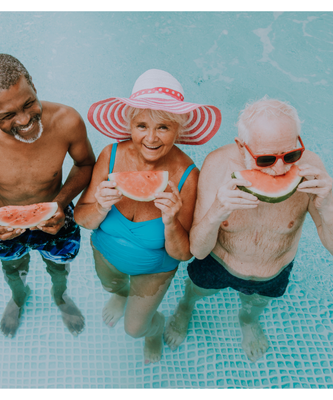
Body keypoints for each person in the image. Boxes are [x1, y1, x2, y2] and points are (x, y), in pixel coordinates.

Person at [164, 96, 333, 362]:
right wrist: (218, 210)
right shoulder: (217, 165)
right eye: (265, 159)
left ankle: (248, 322)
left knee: (256, 304)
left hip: (273, 272)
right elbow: (198, 248)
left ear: (299, 142)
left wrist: (329, 205)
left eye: (290, 155)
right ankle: (185, 308)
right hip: (218, 263)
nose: (279, 169)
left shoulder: (311, 171)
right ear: (242, 147)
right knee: (197, 291)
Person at [74, 69, 222, 364]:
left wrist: (170, 221)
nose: (151, 138)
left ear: (178, 131)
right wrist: (101, 206)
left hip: (153, 272)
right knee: (112, 286)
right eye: (142, 125)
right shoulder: (110, 155)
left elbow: (183, 254)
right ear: (130, 125)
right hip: (105, 254)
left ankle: (153, 330)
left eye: (163, 128)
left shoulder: (189, 177)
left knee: (134, 328)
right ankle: (119, 294)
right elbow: (82, 219)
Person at [0, 54, 95, 338]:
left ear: (33, 85)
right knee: (13, 268)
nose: (25, 119)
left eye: (28, 103)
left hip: (58, 218)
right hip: (2, 225)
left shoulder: (67, 120)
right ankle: (17, 297)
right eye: (7, 115)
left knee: (59, 267)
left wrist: (61, 204)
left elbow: (85, 164)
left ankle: (60, 297)